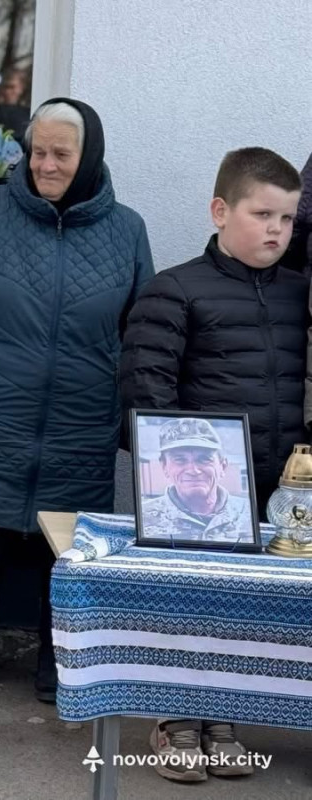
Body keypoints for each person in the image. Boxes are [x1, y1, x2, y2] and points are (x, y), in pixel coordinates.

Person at [0, 98, 154, 703]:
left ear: (89, 157)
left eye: (61, 155)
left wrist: (134, 425)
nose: (45, 165)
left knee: (68, 550)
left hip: (82, 418)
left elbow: (142, 336)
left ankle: (58, 653)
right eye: (37, 152)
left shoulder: (127, 229)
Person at [120, 146, 305, 782]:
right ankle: (175, 718)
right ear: (221, 211)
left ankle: (222, 716)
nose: (277, 230)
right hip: (199, 491)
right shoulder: (175, 290)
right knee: (189, 604)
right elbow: (145, 395)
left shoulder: (300, 294)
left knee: (245, 609)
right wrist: (180, 480)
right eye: (263, 214)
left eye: (288, 218)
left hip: (280, 488)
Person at [139, 419, 254, 543]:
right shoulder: (143, 517)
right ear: (164, 467)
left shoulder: (249, 513)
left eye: (204, 459)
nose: (193, 470)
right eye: (180, 460)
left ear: (223, 466)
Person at [0, 68, 30, 142]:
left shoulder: (29, 112)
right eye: (7, 87)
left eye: (13, 87)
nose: (12, 91)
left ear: (22, 88)